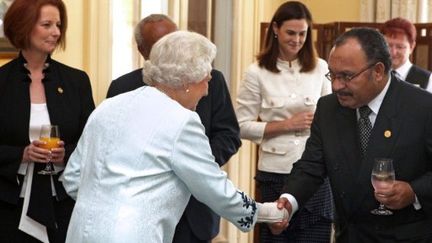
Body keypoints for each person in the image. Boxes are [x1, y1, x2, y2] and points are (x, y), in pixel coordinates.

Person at [61, 30, 286, 243]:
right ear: (188, 81)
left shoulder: (109, 106)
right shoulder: (181, 121)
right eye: (206, 80)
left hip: (81, 231)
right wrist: (270, 213)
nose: (208, 90)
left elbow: (72, 177)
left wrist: (104, 206)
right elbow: (214, 188)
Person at [272, 27, 432, 242]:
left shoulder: (422, 107)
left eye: (346, 76)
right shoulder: (329, 108)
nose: (337, 86)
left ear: (377, 71)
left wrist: (413, 191)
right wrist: (288, 201)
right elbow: (312, 165)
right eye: (332, 75)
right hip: (350, 235)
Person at [107, 14, 242, 243]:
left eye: (175, 39)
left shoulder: (210, 80)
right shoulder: (123, 88)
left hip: (196, 212)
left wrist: (194, 163)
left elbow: (229, 135)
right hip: (142, 213)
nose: (173, 49)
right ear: (142, 51)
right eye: (161, 45)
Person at [236, 1, 333, 242]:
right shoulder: (256, 72)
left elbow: (333, 117)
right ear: (276, 29)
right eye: (291, 33)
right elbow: (240, 126)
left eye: (302, 33)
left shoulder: (321, 68)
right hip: (275, 172)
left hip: (315, 172)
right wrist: (285, 125)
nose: (297, 40)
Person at [0, 0, 95, 242]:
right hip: (8, 204)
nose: (56, 32)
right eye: (47, 24)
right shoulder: (2, 82)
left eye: (58, 25)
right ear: (23, 26)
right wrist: (22, 154)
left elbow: (92, 143)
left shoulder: (76, 81)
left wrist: (66, 154)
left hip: (63, 202)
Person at [381, 17, 432, 91]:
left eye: (400, 47)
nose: (393, 52)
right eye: (388, 46)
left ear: (412, 47)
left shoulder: (428, 80)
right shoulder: (372, 75)